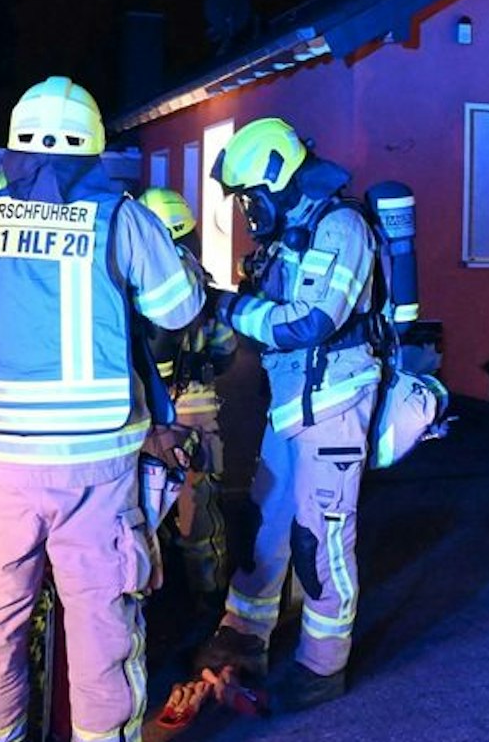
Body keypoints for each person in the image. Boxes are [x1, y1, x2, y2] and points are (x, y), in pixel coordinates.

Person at [0, 76, 204, 742]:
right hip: (97, 469)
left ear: (16, 148)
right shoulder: (122, 217)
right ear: (93, 149)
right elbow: (180, 310)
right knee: (103, 629)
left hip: (1, 469)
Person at [192, 117, 380, 713]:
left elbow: (310, 322)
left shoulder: (340, 226)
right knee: (265, 523)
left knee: (319, 539)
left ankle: (324, 666)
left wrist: (228, 306)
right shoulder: (290, 233)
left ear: (278, 177)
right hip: (293, 403)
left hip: (335, 405)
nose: (249, 210)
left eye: (251, 197)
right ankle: (244, 634)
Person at [138, 186, 239, 626]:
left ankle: (145, 603)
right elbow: (225, 350)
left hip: (142, 412)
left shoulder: (130, 277)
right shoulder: (200, 283)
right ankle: (207, 603)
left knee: (138, 506)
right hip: (196, 406)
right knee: (198, 510)